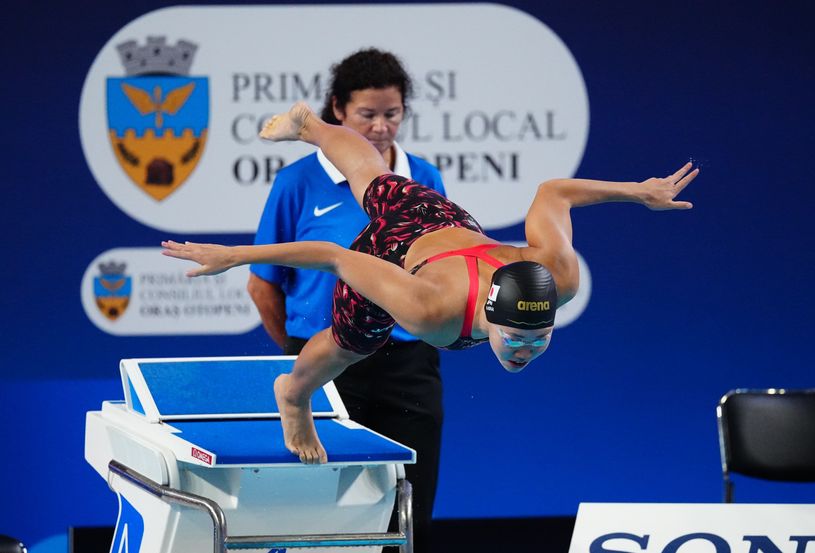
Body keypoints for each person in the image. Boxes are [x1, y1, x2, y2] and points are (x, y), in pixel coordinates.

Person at [162, 102, 699, 470]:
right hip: (393, 253)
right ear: (490, 314)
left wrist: (637, 193)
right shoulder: (431, 311)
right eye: (516, 338)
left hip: (447, 224)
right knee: (351, 344)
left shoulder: (560, 276)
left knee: (376, 175)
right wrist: (235, 255)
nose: (525, 351)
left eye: (538, 339)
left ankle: (310, 125)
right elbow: (332, 256)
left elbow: (553, 193)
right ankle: (293, 396)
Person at [246, 48, 445, 552]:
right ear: (338, 110)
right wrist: (303, 347)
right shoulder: (296, 183)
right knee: (320, 508)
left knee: (409, 507)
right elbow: (263, 283)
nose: (380, 128)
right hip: (327, 361)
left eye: (392, 114)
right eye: (367, 115)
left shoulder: (423, 179)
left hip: (408, 366)